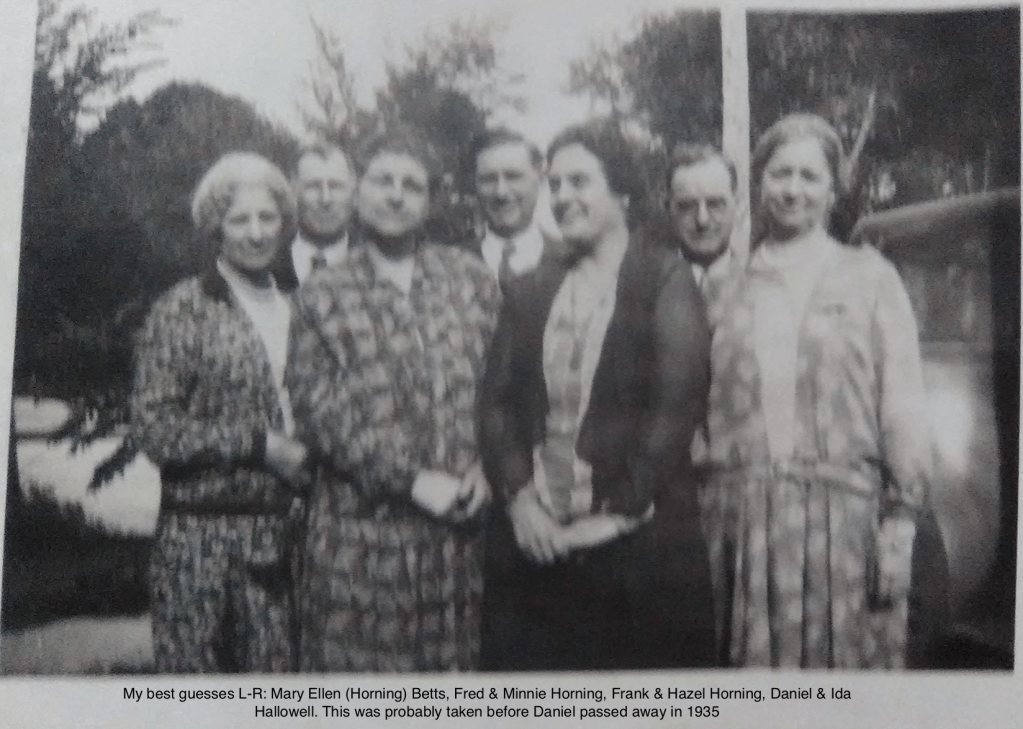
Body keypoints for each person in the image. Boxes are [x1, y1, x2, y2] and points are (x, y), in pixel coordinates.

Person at [478, 122, 715, 670]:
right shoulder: (532, 287)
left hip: (640, 551)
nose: (562, 197)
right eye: (555, 184)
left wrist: (616, 515)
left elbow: (676, 405)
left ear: (621, 193)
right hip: (537, 548)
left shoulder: (664, 279)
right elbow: (496, 404)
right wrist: (520, 502)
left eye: (579, 181)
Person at [701, 113, 933, 668]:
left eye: (809, 176)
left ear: (833, 189)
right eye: (780, 174)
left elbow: (902, 403)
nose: (793, 190)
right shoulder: (722, 286)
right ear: (759, 183)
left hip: (843, 527)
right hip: (745, 532)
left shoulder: (870, 277)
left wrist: (900, 523)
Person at [286, 129, 501, 672]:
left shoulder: (470, 280)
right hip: (362, 542)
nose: (397, 195)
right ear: (359, 191)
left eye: (412, 185)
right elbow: (319, 411)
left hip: (458, 541)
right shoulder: (322, 295)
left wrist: (489, 465)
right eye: (383, 181)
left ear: (429, 202)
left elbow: (504, 388)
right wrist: (410, 480)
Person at [130, 152, 310, 673]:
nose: (256, 233)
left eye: (267, 217)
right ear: (215, 227)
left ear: (285, 223)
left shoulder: (301, 307)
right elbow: (153, 427)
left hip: (285, 544)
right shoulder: (183, 309)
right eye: (239, 219)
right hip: (199, 547)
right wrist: (259, 445)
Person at [666, 143, 745, 331]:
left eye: (715, 204)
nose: (702, 220)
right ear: (668, 209)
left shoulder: (759, 283)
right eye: (687, 206)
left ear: (738, 208)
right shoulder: (645, 291)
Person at [473, 128, 560, 286]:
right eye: (488, 179)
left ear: (541, 181)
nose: (501, 192)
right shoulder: (449, 262)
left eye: (513, 177)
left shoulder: (571, 259)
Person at [273, 142, 357, 287]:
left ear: (352, 189)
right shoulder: (270, 261)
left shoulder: (373, 259)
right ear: (293, 189)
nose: (325, 199)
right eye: (313, 186)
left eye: (335, 186)